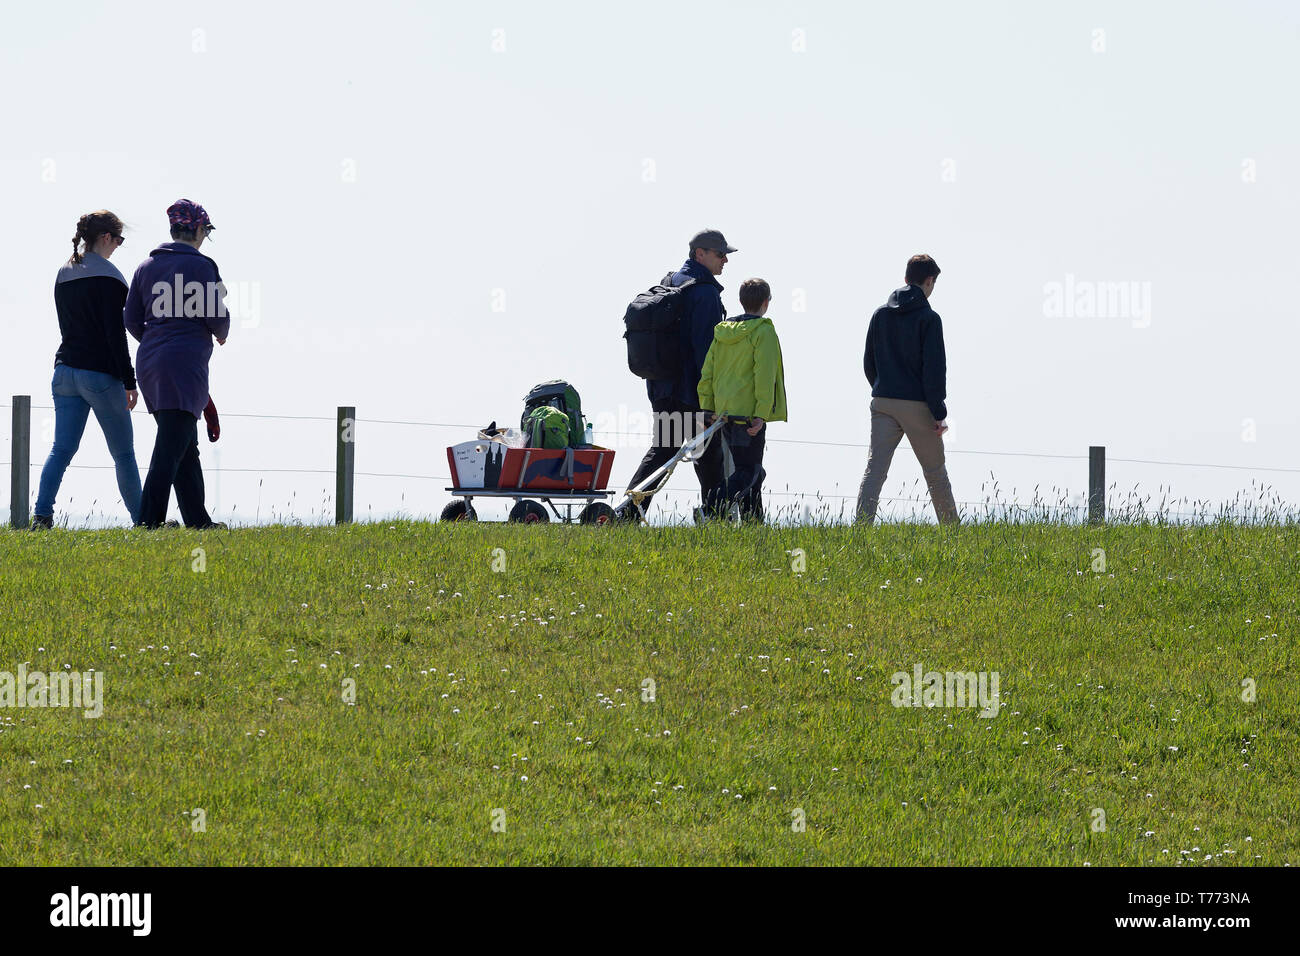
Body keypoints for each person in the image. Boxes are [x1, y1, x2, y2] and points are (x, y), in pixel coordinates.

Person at [32, 210, 143, 529]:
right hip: (99, 375)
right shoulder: (111, 277)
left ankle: (41, 515)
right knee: (123, 453)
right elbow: (114, 334)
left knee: (61, 449)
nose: (118, 246)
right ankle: (143, 521)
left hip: (64, 372)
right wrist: (129, 378)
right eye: (118, 240)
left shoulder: (63, 272)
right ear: (106, 238)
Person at [615, 228, 734, 521]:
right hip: (691, 391)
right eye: (720, 254)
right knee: (706, 454)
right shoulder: (704, 291)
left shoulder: (670, 282)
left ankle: (627, 514)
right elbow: (705, 350)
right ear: (700, 254)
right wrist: (709, 400)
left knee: (665, 451)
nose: (725, 261)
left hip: (661, 387)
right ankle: (713, 516)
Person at [124, 199, 228, 529]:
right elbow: (217, 317)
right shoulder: (202, 267)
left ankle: (198, 522)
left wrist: (157, 341)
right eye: (205, 231)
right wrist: (220, 332)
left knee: (184, 446)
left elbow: (131, 319)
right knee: (170, 449)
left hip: (151, 364)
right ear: (197, 229)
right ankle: (147, 524)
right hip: (185, 365)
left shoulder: (146, 267)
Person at [855, 254, 959, 525]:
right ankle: (953, 533)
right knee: (935, 472)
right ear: (928, 281)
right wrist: (939, 412)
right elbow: (934, 372)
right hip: (917, 404)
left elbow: (868, 362)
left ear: (905, 279)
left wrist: (882, 387)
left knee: (874, 470)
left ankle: (861, 528)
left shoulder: (880, 314)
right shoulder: (930, 318)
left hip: (883, 401)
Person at [697, 278, 787, 522]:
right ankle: (711, 506)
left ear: (740, 301)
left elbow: (708, 372)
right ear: (766, 302)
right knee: (749, 470)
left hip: (724, 412)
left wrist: (708, 407)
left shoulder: (722, 332)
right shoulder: (764, 331)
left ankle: (753, 522)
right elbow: (765, 375)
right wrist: (761, 414)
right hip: (748, 413)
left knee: (751, 471)